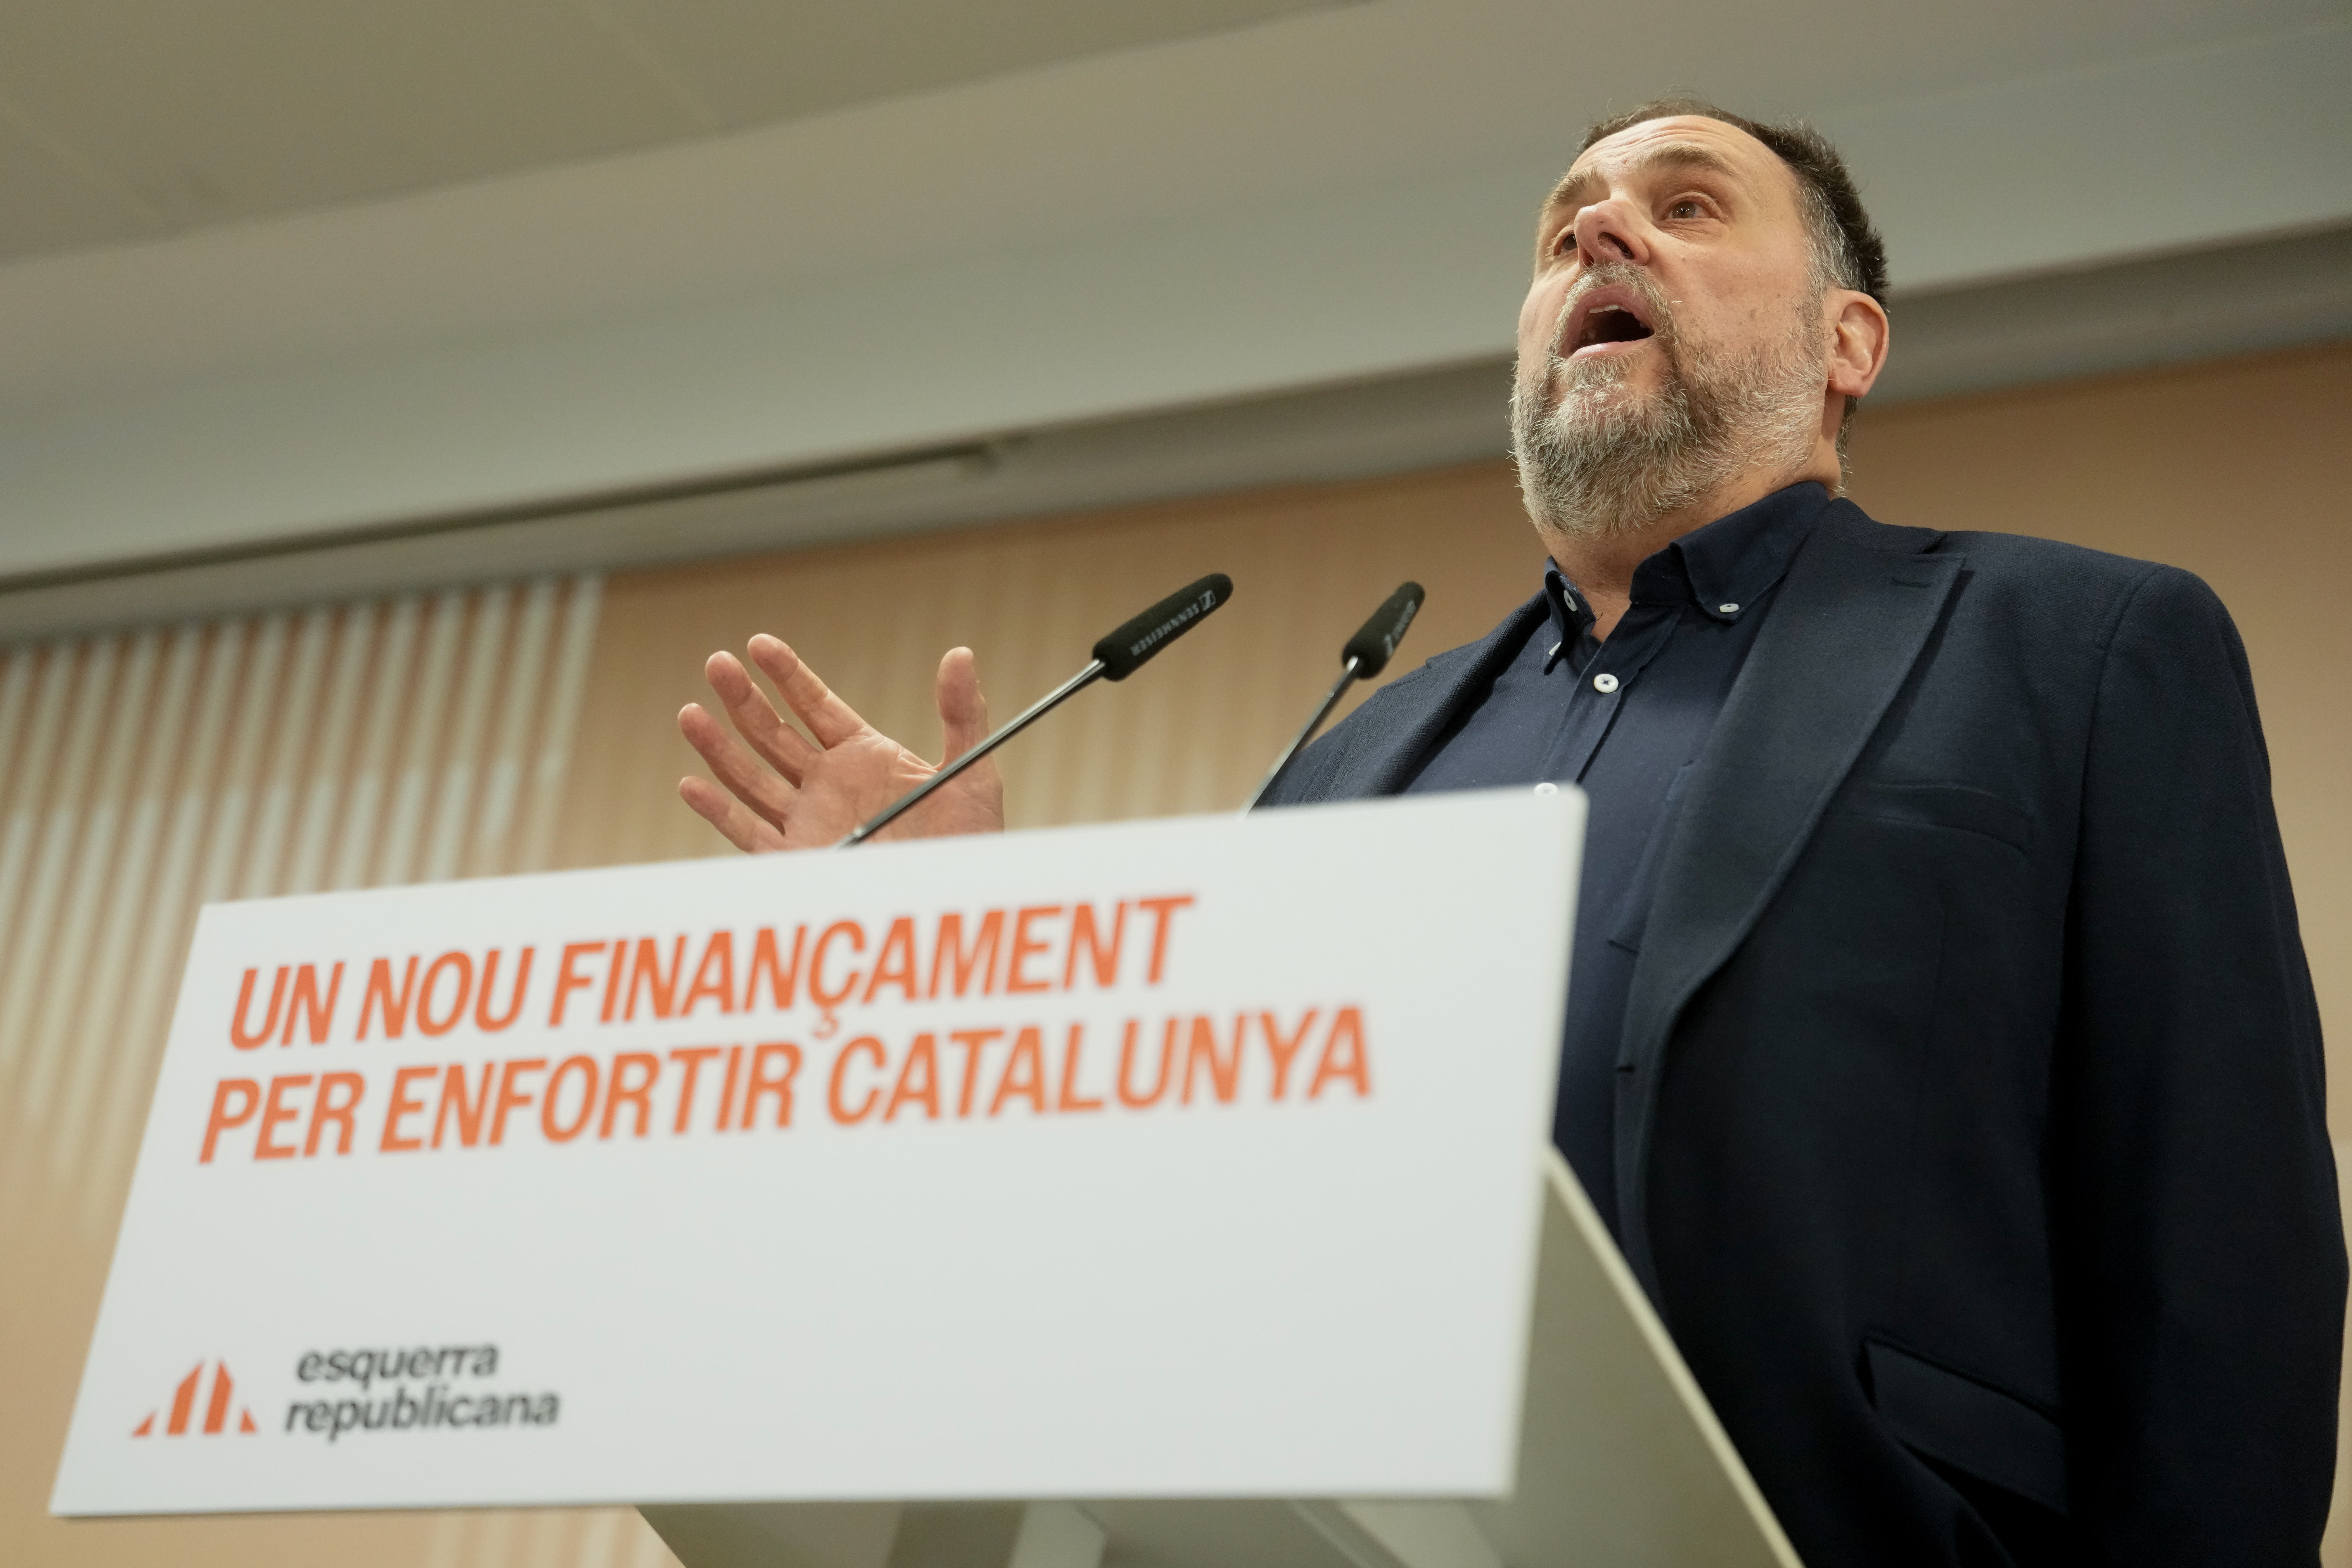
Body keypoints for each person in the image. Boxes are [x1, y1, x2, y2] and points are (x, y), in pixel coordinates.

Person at [677, 99, 2343, 1567]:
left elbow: (2222, 1253)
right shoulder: (1358, 756)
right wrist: (978, 951)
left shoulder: (2074, 646)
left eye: (1686, 204)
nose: (1599, 228)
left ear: (1850, 342)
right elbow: (1189, 1232)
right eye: (1564, 231)